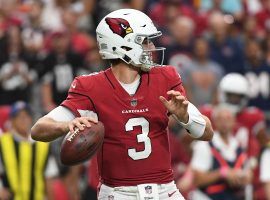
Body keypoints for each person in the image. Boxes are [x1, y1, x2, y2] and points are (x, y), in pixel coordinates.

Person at [31, 9, 213, 200]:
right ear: (122, 45)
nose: (151, 47)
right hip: (118, 193)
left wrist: (186, 118)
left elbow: (207, 132)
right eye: (144, 41)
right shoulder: (91, 86)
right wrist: (65, 125)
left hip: (165, 190)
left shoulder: (165, 77)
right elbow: (38, 130)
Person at [200, 73, 270, 199]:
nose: (233, 100)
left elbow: (263, 144)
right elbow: (189, 142)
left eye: (237, 97)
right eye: (230, 96)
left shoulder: (252, 116)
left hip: (242, 170)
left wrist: (252, 165)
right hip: (213, 169)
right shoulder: (208, 113)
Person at [191, 105, 252, 200]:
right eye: (220, 119)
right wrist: (222, 173)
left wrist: (243, 177)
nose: (224, 122)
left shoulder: (238, 145)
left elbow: (248, 175)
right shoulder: (205, 145)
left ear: (234, 121)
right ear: (214, 122)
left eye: (228, 118)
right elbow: (197, 180)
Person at [0, 101, 58, 200]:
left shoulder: (43, 144)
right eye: (19, 117)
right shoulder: (3, 142)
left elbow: (49, 177)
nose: (24, 120)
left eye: (26, 116)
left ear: (31, 119)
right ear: (12, 121)